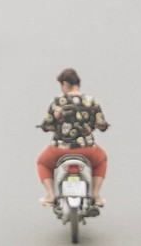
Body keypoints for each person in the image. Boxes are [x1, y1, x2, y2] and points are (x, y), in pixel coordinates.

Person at [37, 68, 109, 207]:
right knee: (102, 160)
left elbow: (47, 123)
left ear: (65, 83)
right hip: (87, 149)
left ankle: (51, 195)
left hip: (59, 150)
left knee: (42, 163)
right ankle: (95, 194)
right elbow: (101, 124)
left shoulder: (58, 101)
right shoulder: (90, 100)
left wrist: (46, 127)